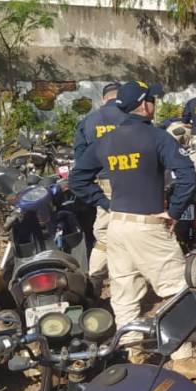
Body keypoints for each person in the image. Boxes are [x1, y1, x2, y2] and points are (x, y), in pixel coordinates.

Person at [70, 81, 196, 380]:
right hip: (149, 226)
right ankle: (184, 360)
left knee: (124, 295)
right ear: (144, 104)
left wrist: (105, 203)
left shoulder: (106, 142)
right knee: (177, 289)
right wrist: (175, 212)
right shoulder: (157, 136)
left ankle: (134, 356)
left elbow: (77, 181)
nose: (154, 104)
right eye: (151, 99)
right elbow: (188, 176)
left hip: (118, 226)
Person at [72, 81, 126, 292]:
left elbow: (80, 160)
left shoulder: (88, 121)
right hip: (132, 180)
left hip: (104, 182)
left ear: (103, 98)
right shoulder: (131, 119)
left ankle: (95, 282)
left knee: (104, 233)